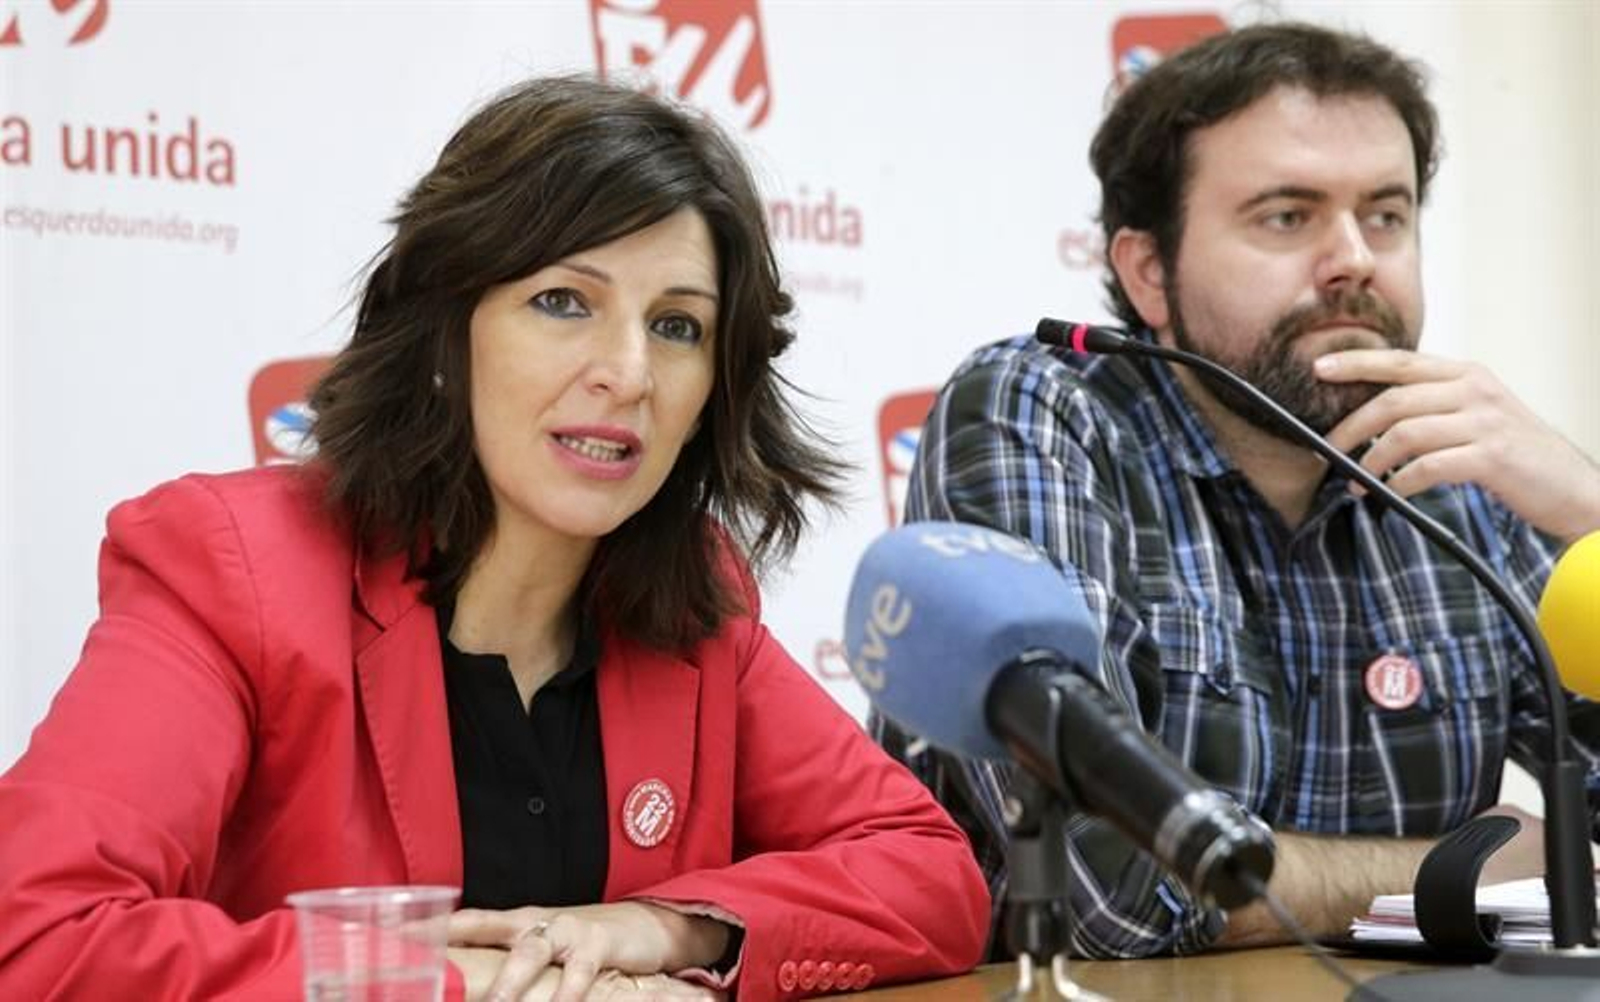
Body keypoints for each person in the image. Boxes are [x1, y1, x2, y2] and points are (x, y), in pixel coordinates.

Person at [0, 75, 990, 1000]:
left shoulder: (693, 599)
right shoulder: (232, 567)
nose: (629, 371)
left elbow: (931, 874)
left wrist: (664, 928)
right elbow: (33, 932)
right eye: (564, 302)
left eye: (678, 326)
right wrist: (423, 981)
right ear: (445, 330)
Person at [873, 22, 1600, 960]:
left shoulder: (1459, 471)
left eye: (1385, 215)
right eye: (1287, 217)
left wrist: (1590, 510)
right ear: (1148, 273)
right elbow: (1104, 888)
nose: (1354, 260)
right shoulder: (1040, 416)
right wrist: (1458, 870)